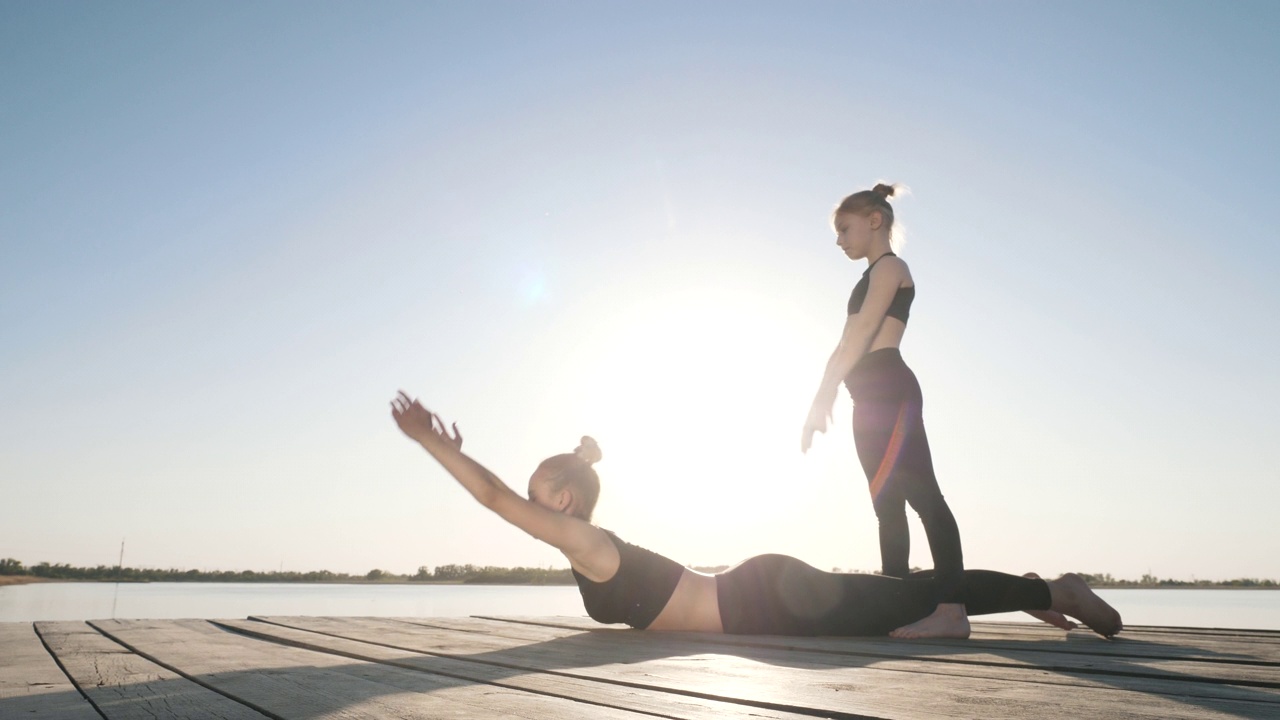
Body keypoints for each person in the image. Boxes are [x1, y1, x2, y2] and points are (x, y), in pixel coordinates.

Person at [391, 391, 1122, 638]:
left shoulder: (585, 541)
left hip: (761, 599)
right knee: (900, 595)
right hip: (757, 596)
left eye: (535, 491)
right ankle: (1037, 590)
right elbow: (503, 498)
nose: (526, 504)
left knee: (908, 598)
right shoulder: (586, 548)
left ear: (566, 499)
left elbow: (491, 499)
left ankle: (1055, 590)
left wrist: (427, 441)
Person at [801, 183, 969, 639]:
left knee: (924, 498)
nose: (839, 240)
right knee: (885, 505)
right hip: (865, 399)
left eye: (844, 228)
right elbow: (842, 344)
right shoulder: (864, 279)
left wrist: (824, 395)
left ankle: (952, 612)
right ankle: (895, 603)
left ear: (874, 221)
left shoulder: (892, 267)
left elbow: (862, 337)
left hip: (891, 392)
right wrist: (823, 396)